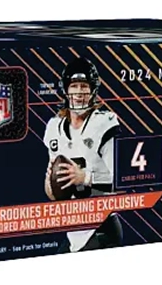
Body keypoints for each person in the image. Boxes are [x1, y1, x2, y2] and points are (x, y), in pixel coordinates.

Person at [44, 57, 122, 251]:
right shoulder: (54, 127)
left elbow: (120, 180)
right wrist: (50, 183)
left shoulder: (104, 123)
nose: (79, 92)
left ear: (93, 90)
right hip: (74, 227)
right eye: (74, 86)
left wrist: (84, 177)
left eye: (84, 86)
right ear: (66, 89)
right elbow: (54, 194)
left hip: (101, 224)